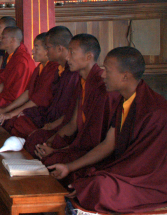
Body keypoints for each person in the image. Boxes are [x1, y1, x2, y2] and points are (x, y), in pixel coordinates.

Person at [48, 47, 167, 214]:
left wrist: (101, 175)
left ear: (125, 76)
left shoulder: (155, 111)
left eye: (107, 70)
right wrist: (69, 167)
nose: (102, 75)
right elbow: (109, 144)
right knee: (82, 175)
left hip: (154, 184)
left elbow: (143, 165)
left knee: (99, 186)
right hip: (129, 171)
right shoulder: (126, 101)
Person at [34, 34, 117, 172]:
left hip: (92, 152)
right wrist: (49, 143)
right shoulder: (82, 82)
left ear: (88, 57)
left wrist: (56, 150)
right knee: (39, 146)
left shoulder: (103, 89)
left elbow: (94, 140)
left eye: (72, 53)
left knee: (51, 161)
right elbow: (73, 123)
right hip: (79, 144)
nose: (67, 57)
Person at [21, 27, 82, 147]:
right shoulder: (61, 71)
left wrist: (51, 127)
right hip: (53, 118)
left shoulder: (74, 75)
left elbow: (71, 116)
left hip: (64, 126)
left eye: (48, 47)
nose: (46, 51)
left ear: (59, 49)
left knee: (35, 140)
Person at [0, 32, 58, 137]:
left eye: (36, 48)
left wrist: (11, 113)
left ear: (47, 51)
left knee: (15, 122)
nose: (32, 51)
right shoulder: (39, 69)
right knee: (3, 117)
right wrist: (6, 110)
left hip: (45, 115)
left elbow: (38, 100)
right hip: (34, 110)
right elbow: (28, 92)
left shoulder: (54, 70)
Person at [0, 26, 35, 112]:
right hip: (7, 97)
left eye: (3, 37)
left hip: (14, 103)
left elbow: (16, 95)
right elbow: (6, 84)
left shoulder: (22, 61)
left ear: (12, 40)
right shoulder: (13, 56)